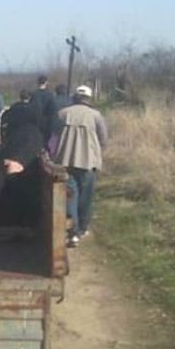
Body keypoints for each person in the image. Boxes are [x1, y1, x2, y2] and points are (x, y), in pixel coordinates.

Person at [53, 85, 108, 247]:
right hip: (88, 162)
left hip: (65, 161)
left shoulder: (62, 114)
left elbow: (54, 136)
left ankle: (73, 231)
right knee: (86, 198)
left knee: (71, 196)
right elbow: (103, 139)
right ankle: (82, 229)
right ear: (89, 99)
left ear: (75, 97)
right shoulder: (96, 116)